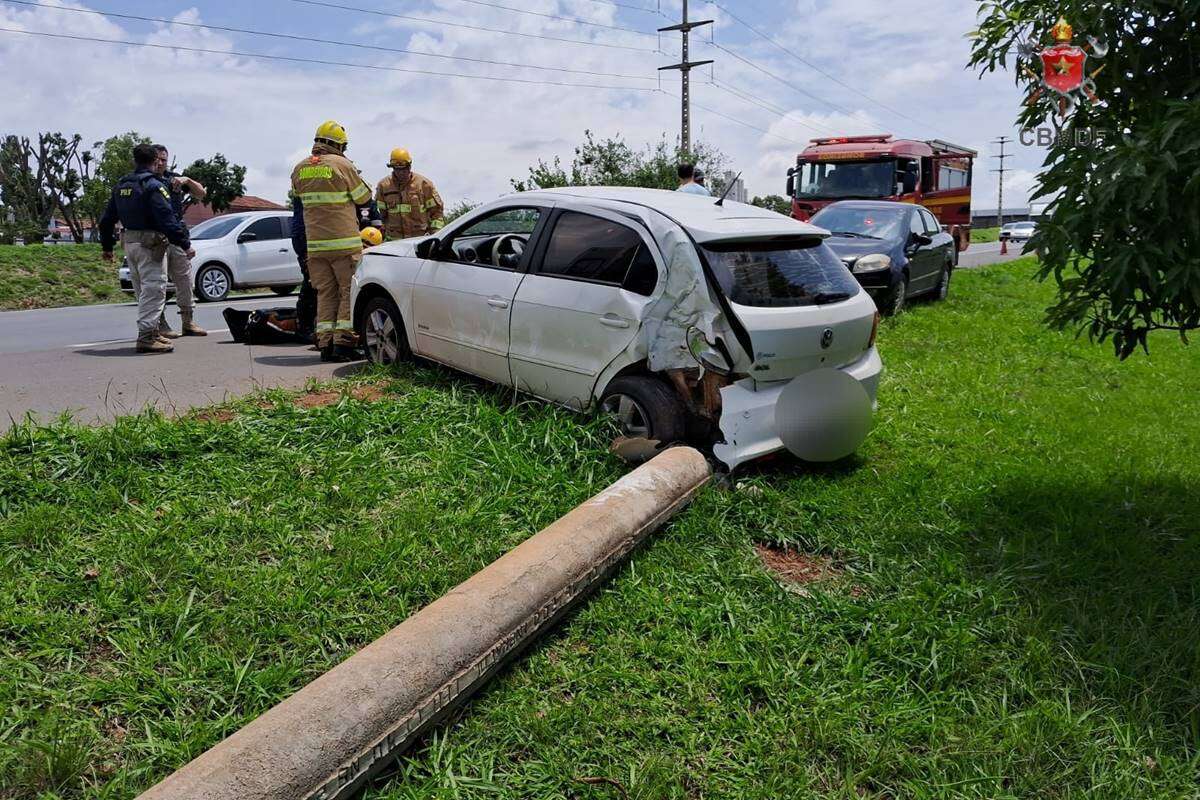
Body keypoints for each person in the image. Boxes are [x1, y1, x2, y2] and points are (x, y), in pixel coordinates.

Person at [289, 120, 374, 363]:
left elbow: (299, 197)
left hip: (315, 247)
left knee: (325, 294)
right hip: (344, 245)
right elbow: (363, 197)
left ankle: (325, 344)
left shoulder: (299, 169)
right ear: (338, 145)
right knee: (347, 293)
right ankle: (343, 346)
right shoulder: (342, 165)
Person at [98, 143, 193, 353]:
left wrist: (107, 247)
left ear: (135, 160)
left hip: (129, 244)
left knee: (142, 289)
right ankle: (147, 337)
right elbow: (167, 220)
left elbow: (106, 220)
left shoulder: (122, 185)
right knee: (154, 289)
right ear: (153, 161)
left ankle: (154, 333)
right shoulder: (152, 186)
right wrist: (185, 245)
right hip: (150, 244)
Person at [151, 144, 207, 337]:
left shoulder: (173, 178)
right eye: (156, 159)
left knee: (184, 280)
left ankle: (188, 321)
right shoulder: (145, 180)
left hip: (177, 236)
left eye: (163, 159)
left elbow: (201, 194)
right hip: (155, 237)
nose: (160, 163)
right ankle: (160, 322)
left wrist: (187, 180)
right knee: (157, 284)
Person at [374, 148, 445, 240]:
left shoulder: (424, 185)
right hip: (394, 242)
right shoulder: (383, 186)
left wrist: (435, 235)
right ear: (393, 168)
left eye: (404, 169)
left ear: (409, 167)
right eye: (397, 169)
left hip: (420, 240)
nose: (401, 173)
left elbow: (436, 211)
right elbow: (380, 215)